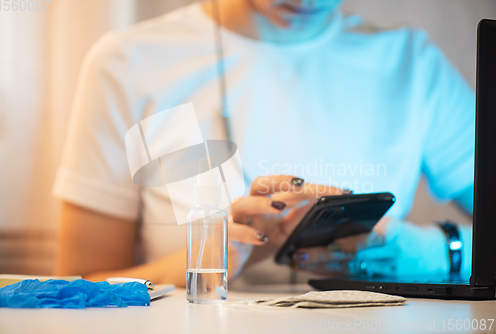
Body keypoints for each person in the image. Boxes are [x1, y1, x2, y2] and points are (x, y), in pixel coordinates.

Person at [53, 0, 475, 287]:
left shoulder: (412, 64)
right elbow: (73, 290)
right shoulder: (129, 63)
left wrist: (431, 254)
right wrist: (205, 261)